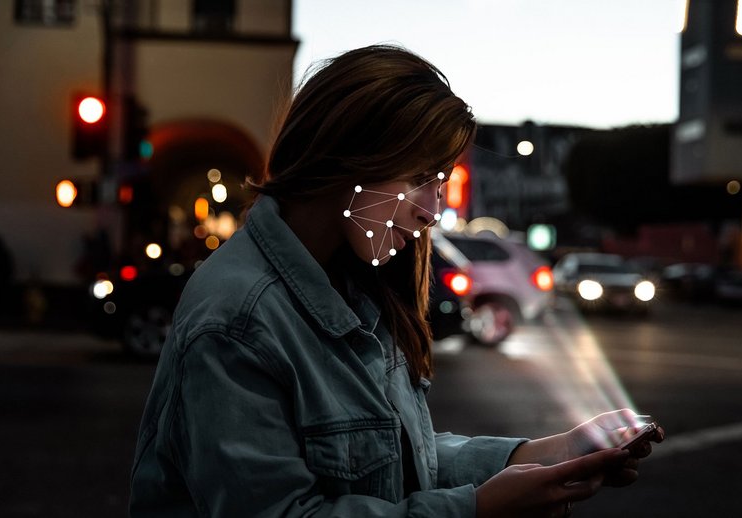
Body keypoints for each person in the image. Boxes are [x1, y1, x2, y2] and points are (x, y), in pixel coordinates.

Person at [129, 44, 663, 518]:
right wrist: (478, 510)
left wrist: (543, 454)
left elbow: (393, 457)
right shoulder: (237, 319)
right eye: (419, 179)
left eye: (442, 181)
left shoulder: (359, 281)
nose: (434, 210)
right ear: (347, 159)